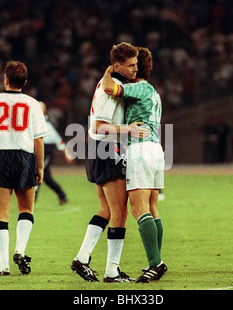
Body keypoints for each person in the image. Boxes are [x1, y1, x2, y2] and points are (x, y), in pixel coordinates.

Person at [71, 42, 148, 283]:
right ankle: (111, 271)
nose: (136, 69)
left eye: (136, 64)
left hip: (99, 149)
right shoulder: (110, 88)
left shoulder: (111, 82)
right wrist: (129, 130)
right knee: (120, 212)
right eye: (131, 65)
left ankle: (83, 258)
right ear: (117, 66)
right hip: (106, 149)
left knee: (106, 209)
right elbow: (98, 126)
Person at [0, 60, 47, 276]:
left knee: (0, 214)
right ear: (24, 82)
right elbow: (38, 140)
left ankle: (4, 265)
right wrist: (40, 167)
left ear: (5, 79)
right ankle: (20, 250)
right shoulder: (33, 103)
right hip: (24, 157)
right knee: (26, 209)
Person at [103, 46, 167, 283]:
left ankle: (155, 263)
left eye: (134, 65)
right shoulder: (154, 92)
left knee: (138, 209)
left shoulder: (137, 87)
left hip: (140, 149)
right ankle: (155, 260)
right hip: (156, 149)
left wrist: (111, 68)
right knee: (152, 208)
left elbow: (109, 87)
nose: (132, 68)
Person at [34, 101, 68, 206]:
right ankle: (62, 196)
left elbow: (58, 139)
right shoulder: (34, 123)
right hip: (36, 150)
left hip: (46, 151)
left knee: (37, 174)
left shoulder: (47, 124)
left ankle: (31, 201)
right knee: (46, 177)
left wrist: (66, 153)